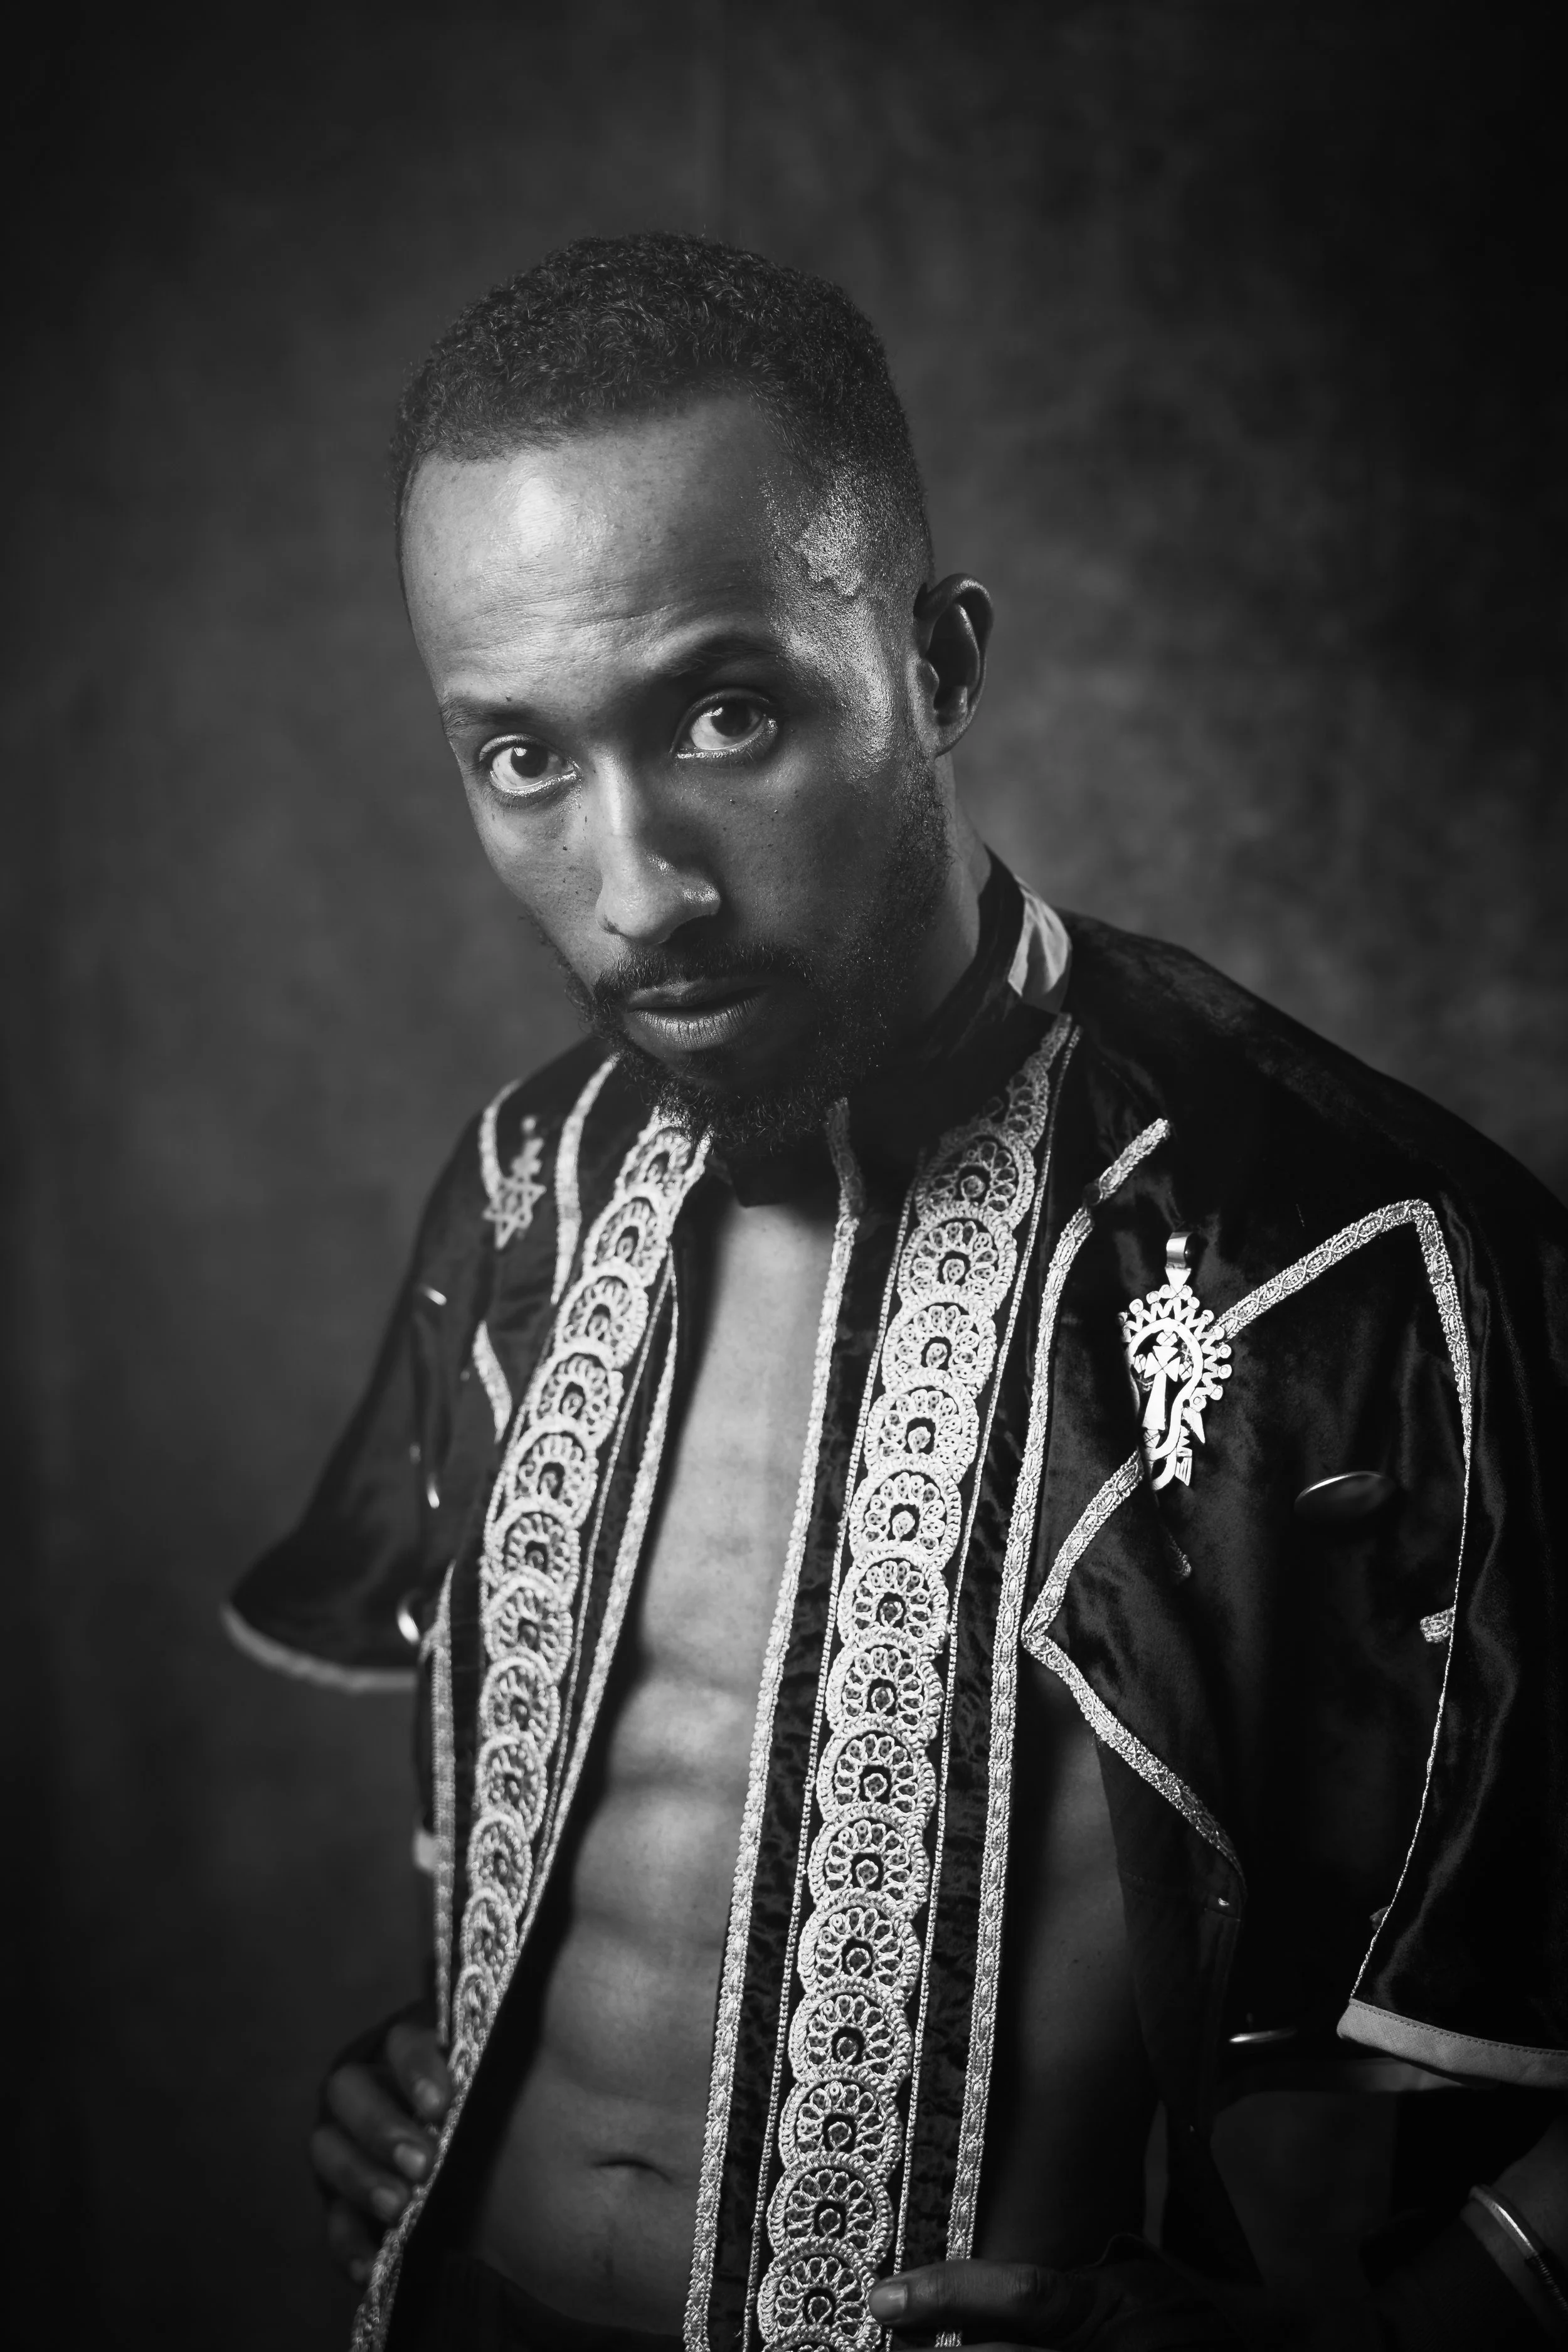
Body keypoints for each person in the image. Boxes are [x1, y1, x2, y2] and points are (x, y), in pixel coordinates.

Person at [228, 235, 1568, 2351]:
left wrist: (1402, 2336)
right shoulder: (520, 1185)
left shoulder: (1335, 1255)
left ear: (936, 664)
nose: (639, 888)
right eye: (520, 759)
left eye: (727, 710)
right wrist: (458, 2061)